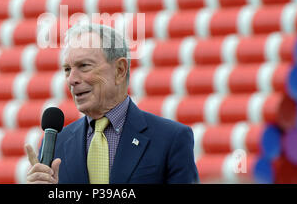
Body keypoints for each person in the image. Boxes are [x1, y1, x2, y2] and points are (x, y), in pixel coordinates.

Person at [25, 23, 199, 184]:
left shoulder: (171, 138)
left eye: (84, 66)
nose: (71, 79)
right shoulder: (57, 143)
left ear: (120, 70)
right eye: (67, 70)